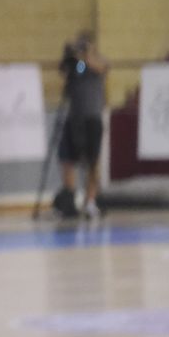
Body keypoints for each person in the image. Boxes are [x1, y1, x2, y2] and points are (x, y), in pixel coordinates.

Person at [57, 32, 108, 220]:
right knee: (67, 158)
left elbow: (98, 68)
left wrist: (87, 55)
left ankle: (91, 201)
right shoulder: (78, 66)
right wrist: (71, 56)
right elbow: (73, 71)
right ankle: (69, 197)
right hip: (75, 118)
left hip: (92, 118)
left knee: (92, 161)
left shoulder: (100, 62)